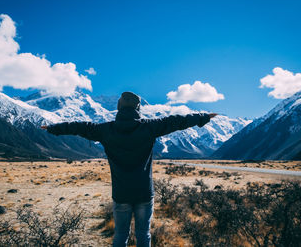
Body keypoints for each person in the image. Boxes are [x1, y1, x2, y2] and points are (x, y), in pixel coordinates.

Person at [41, 91, 217, 247]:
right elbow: (177, 121)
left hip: (121, 194)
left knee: (120, 236)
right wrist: (203, 117)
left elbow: (78, 127)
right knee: (143, 235)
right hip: (144, 193)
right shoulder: (149, 127)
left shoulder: (105, 130)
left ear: (119, 107)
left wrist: (53, 128)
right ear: (138, 108)